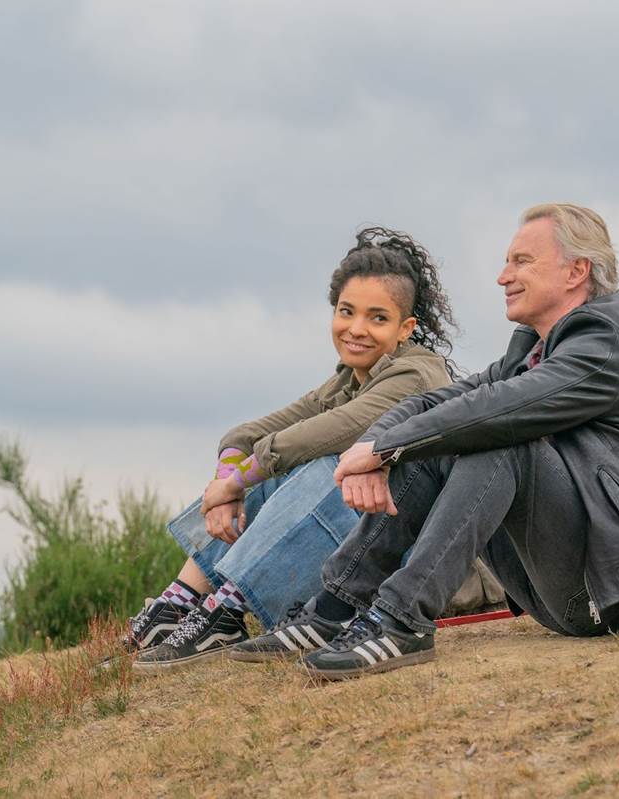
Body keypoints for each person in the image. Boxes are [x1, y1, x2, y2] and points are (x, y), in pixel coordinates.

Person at [240, 203, 619, 679]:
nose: (502, 276)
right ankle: (334, 608)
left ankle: (401, 620)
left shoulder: (603, 344)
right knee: (442, 439)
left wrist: (385, 449)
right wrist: (375, 446)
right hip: (572, 583)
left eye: (521, 261)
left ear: (576, 271)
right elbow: (435, 403)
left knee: (498, 438)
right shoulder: (533, 350)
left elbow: (498, 410)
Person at [121, 227, 473, 673]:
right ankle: (180, 602)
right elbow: (249, 433)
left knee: (325, 465)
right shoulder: (349, 378)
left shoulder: (416, 377)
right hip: (372, 546)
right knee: (276, 466)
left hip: (423, 561)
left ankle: (228, 608)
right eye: (347, 312)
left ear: (406, 329)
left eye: (377, 318)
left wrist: (237, 480)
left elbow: (326, 433)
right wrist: (230, 479)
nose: (356, 329)